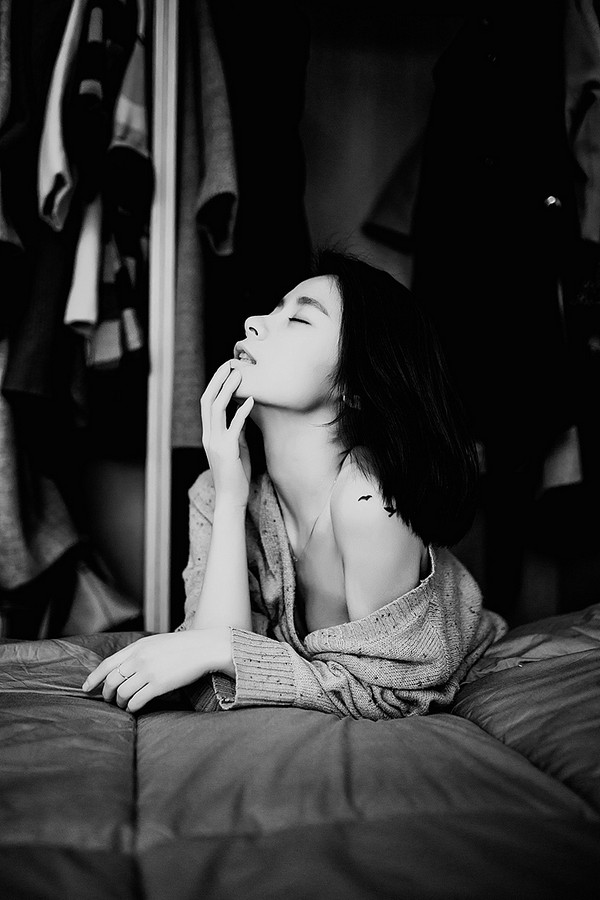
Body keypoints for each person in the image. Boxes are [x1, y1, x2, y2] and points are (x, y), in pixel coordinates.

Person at [82, 248, 507, 719]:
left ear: (354, 385)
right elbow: (212, 688)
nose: (252, 323)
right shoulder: (217, 488)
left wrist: (224, 649)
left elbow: (391, 696)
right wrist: (229, 500)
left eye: (299, 319)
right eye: (272, 309)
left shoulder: (369, 500)